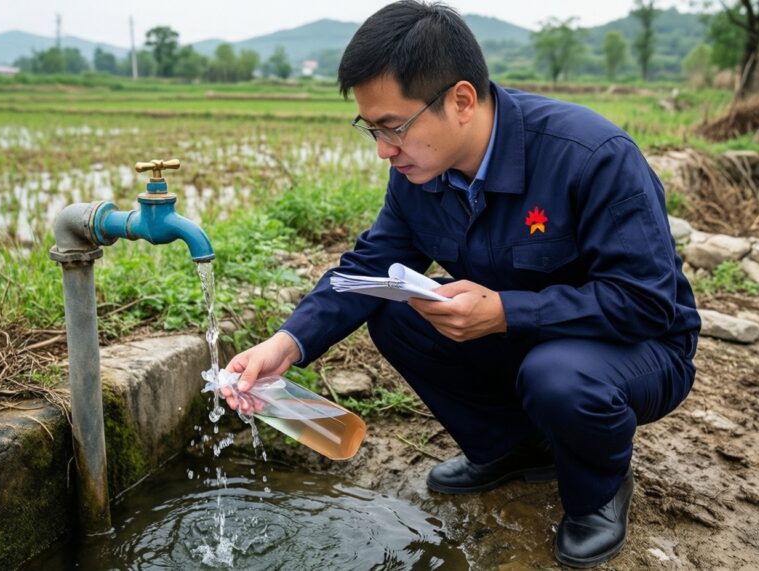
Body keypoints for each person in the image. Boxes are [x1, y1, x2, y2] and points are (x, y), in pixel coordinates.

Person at [222, 1, 700, 567]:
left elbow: (645, 302)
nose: (383, 149)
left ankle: (598, 491)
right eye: (371, 129)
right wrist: (286, 344)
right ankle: (515, 448)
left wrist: (506, 312)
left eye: (394, 127)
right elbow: (370, 265)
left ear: (462, 101)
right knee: (395, 311)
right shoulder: (417, 172)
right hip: (526, 335)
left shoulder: (590, 156)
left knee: (558, 377)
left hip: (636, 347)